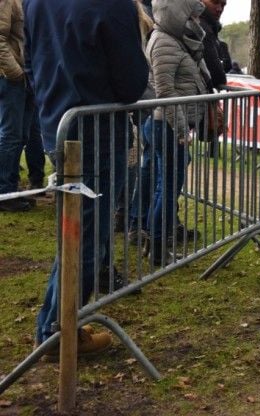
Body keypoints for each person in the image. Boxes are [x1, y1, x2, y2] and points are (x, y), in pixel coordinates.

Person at [24, 0, 149, 353]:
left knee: (76, 234)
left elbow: (30, 63)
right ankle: (56, 333)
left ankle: (56, 325)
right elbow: (131, 84)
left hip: (56, 126)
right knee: (88, 239)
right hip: (96, 132)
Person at [140, 0, 209, 265]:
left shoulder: (174, 39)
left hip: (170, 126)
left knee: (165, 187)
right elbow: (165, 91)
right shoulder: (164, 41)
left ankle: (154, 242)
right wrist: (182, 130)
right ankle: (158, 247)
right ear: (178, 13)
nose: (195, 19)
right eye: (191, 14)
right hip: (167, 127)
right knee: (167, 189)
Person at [0, 0, 36, 212]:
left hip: (24, 77)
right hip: (12, 78)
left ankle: (11, 190)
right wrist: (16, 73)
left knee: (20, 135)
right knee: (11, 136)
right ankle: (5, 192)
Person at [199, 0, 229, 89]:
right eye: (215, 2)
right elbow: (217, 76)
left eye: (223, 5)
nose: (220, 9)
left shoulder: (210, 29)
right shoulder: (202, 30)